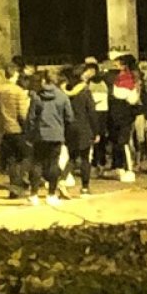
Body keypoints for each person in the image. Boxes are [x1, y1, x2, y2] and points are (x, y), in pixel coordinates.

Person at [25, 71, 74, 206]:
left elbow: (30, 118)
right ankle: (51, 195)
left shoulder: (36, 97)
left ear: (43, 81)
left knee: (37, 163)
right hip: (56, 134)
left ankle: (34, 194)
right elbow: (69, 117)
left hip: (39, 135)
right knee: (53, 164)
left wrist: (29, 134)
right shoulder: (63, 97)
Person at [0, 61, 32, 199]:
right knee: (26, 156)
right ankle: (22, 182)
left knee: (11, 160)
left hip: (5, 128)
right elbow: (22, 114)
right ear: (16, 74)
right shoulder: (19, 92)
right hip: (18, 129)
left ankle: (14, 188)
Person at [63, 66, 98, 196]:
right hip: (84, 127)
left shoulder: (65, 90)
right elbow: (92, 113)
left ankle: (61, 180)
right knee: (85, 157)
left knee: (72, 157)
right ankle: (85, 187)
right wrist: (96, 131)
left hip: (69, 127)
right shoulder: (85, 92)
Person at [108, 54, 141, 183]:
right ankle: (120, 167)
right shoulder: (116, 79)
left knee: (124, 142)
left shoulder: (129, 79)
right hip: (117, 116)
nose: (115, 67)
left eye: (118, 65)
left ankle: (128, 169)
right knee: (118, 142)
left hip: (124, 116)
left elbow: (133, 99)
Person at [85, 61, 111, 173]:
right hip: (93, 113)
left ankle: (101, 161)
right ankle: (94, 162)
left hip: (103, 113)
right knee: (94, 139)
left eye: (92, 70)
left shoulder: (103, 82)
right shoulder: (87, 83)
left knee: (101, 139)